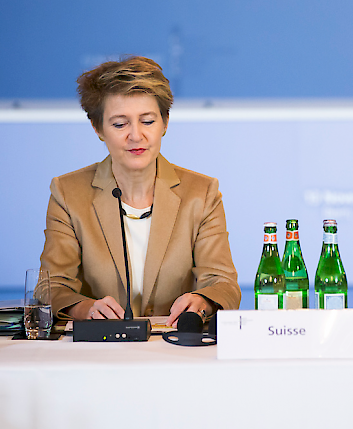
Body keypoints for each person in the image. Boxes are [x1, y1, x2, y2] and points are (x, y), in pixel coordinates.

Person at [40, 56, 240, 327]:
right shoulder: (67, 193)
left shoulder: (202, 193)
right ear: (98, 128)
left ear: (165, 123)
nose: (136, 136)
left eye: (147, 121)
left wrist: (202, 301)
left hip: (175, 346)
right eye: (120, 124)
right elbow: (51, 287)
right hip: (99, 349)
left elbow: (223, 283)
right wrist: (84, 308)